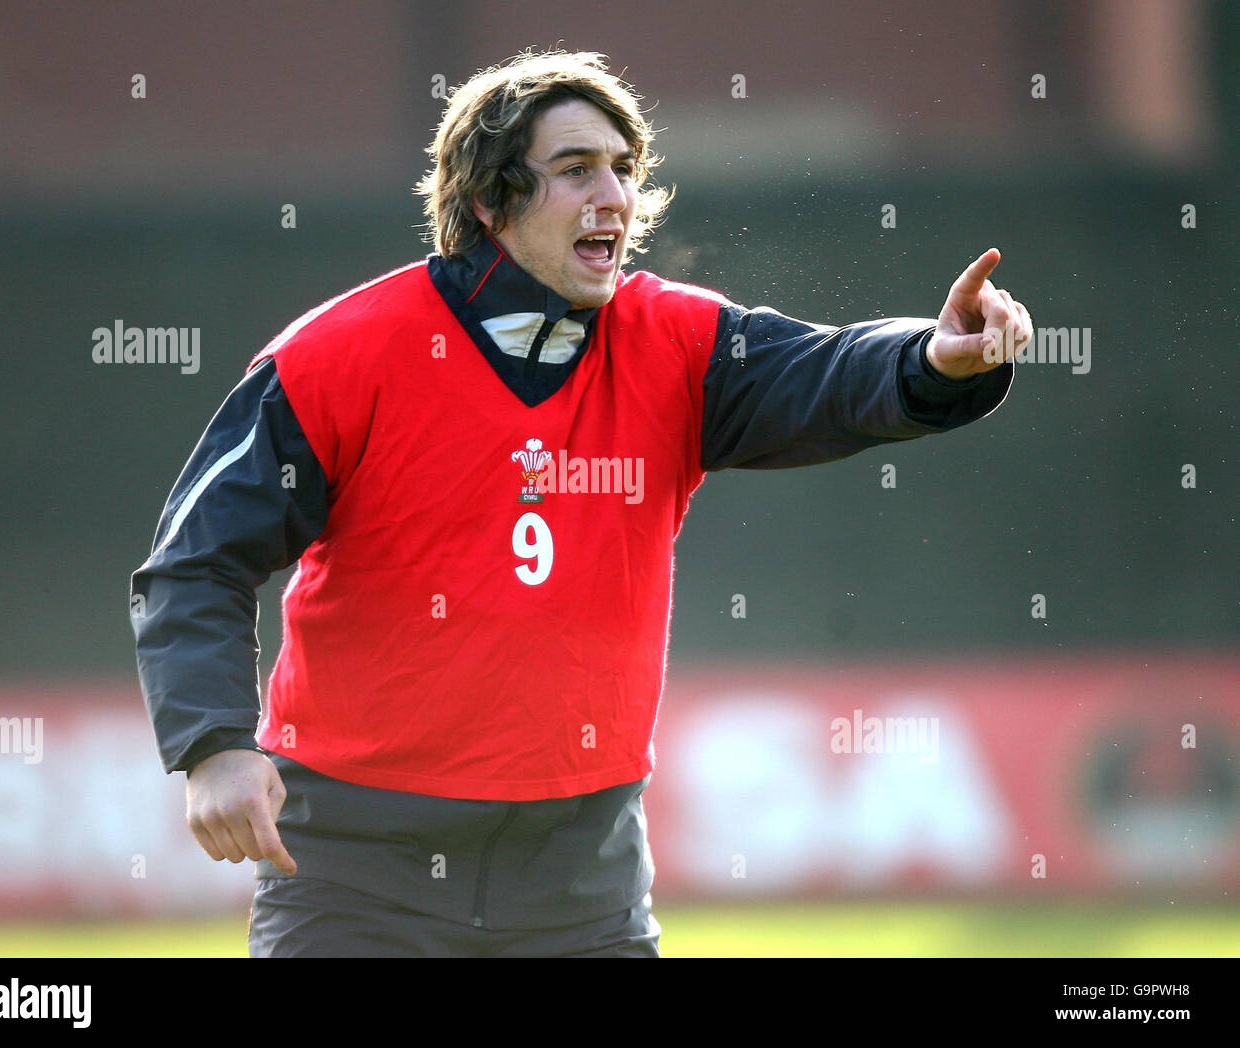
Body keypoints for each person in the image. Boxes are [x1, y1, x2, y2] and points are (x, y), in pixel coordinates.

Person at [130, 49, 1032, 958]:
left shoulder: (678, 341)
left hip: (579, 885)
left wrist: (929, 356)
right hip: (356, 878)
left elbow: (830, 370)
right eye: (575, 170)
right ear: (490, 200)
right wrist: (213, 744)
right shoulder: (337, 356)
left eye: (623, 169)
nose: (614, 195)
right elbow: (195, 561)